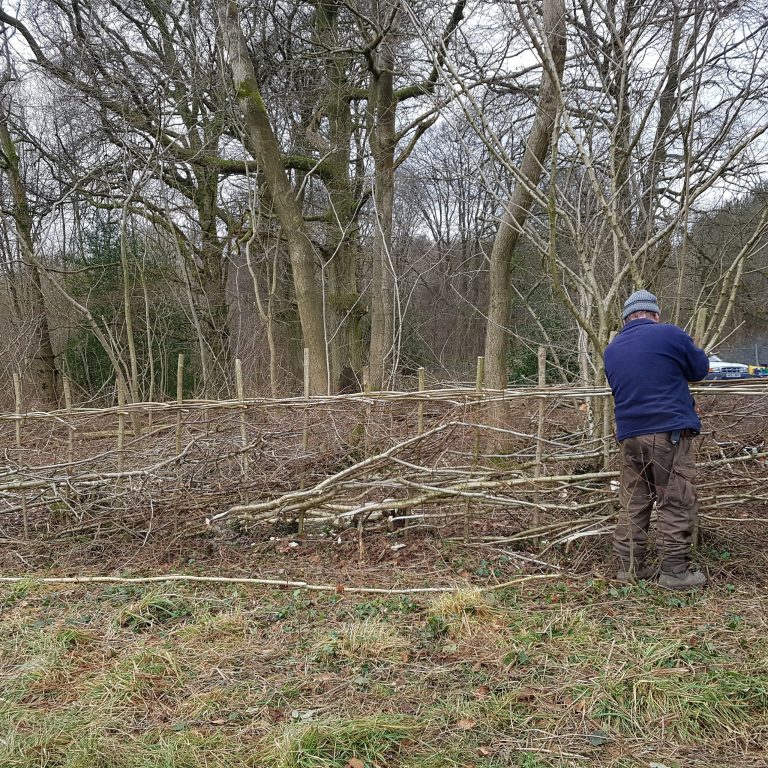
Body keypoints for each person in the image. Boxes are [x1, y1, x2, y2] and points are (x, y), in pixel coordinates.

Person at [603, 290, 710, 589]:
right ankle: (675, 572)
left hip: (628, 436)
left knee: (633, 500)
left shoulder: (612, 349)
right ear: (655, 315)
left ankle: (629, 568)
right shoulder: (670, 334)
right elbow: (699, 370)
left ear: (626, 319)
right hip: (667, 433)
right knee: (675, 499)